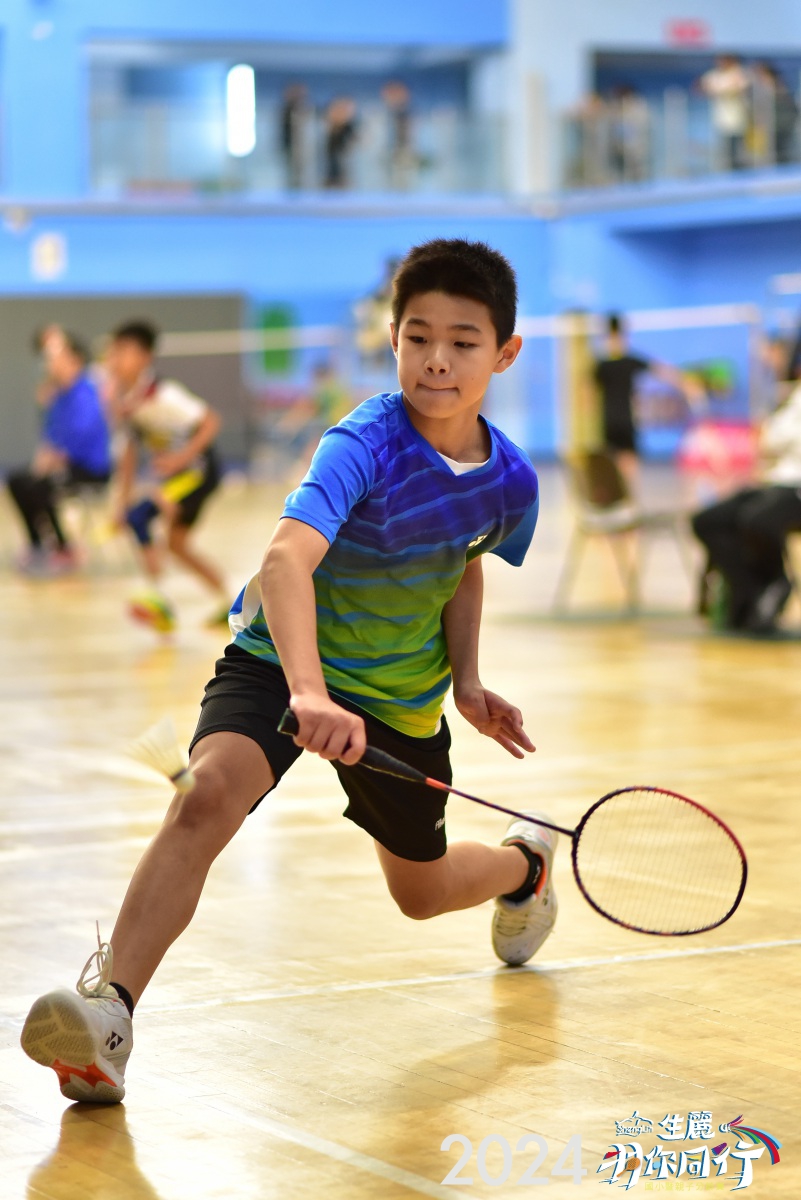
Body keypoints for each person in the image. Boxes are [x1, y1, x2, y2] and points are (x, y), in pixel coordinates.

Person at [20, 238, 558, 1104]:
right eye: (418, 337)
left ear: (503, 353)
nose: (436, 360)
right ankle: (109, 1016)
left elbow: (462, 563)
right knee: (204, 795)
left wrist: (465, 682)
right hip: (279, 660)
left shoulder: (510, 485)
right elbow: (282, 562)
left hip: (397, 699)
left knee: (420, 894)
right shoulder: (363, 442)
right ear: (392, 340)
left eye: (462, 342)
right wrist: (307, 689)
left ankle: (524, 866)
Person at [106, 320, 229, 632]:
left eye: (124, 352)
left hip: (199, 471)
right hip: (180, 477)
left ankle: (157, 598)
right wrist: (121, 500)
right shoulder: (126, 402)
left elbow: (211, 421)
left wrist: (179, 459)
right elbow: (129, 453)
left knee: (141, 517)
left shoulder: (164, 394)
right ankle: (230, 601)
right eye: (113, 352)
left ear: (145, 357)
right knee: (176, 545)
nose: (115, 359)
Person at [692, 382, 801, 634]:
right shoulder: (794, 397)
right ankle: (745, 589)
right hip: (774, 482)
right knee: (708, 521)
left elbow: (780, 438)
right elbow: (769, 439)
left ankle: (776, 582)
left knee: (757, 519)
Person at [7, 328, 111, 574]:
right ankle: (37, 544)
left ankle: (64, 548)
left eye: (59, 358)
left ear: (75, 360)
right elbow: (51, 435)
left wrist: (58, 457)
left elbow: (82, 434)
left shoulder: (87, 390)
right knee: (17, 480)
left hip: (89, 469)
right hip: (61, 465)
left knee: (41, 487)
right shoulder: (58, 396)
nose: (52, 364)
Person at [593, 313, 703, 490]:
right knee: (627, 459)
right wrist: (685, 383)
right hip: (624, 418)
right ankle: (627, 494)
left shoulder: (603, 363)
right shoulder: (626, 360)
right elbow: (662, 370)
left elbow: (589, 393)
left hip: (610, 419)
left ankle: (620, 495)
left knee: (616, 459)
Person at [699, 55, 751, 171]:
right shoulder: (714, 75)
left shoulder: (739, 73)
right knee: (725, 148)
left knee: (738, 148)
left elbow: (739, 89)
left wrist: (720, 92)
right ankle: (729, 169)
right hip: (721, 118)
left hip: (739, 117)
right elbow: (700, 87)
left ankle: (739, 170)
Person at [323, 96, 358, 188]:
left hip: (343, 155)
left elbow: (354, 138)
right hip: (331, 154)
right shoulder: (331, 123)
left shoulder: (348, 125)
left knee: (342, 175)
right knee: (332, 175)